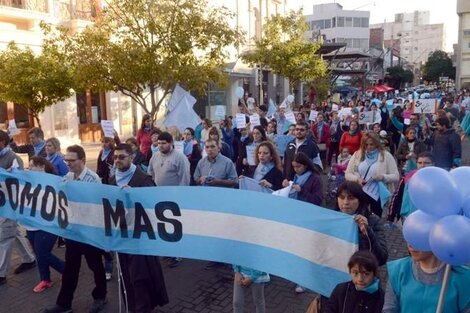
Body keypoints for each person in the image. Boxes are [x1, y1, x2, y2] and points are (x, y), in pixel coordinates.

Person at [43, 145, 107, 313]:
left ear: (83, 160)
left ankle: (100, 296)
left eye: (72, 160)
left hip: (89, 232)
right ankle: (64, 304)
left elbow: (96, 206)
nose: (68, 163)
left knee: (95, 266)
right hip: (73, 231)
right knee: (71, 268)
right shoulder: (68, 177)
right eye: (66, 160)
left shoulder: (93, 179)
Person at [108, 144, 169, 312]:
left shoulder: (143, 179)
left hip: (140, 237)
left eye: (122, 157)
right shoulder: (112, 180)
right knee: (125, 277)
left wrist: (135, 197)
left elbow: (155, 207)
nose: (117, 161)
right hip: (122, 237)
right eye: (115, 157)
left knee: (140, 278)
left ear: (132, 157)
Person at [383, 245, 470, 313]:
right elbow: (389, 309)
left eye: (419, 238)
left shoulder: (464, 278)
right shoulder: (398, 270)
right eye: (409, 237)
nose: (410, 245)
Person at [147, 132, 190, 267]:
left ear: (171, 142)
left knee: (175, 226)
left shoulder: (180, 158)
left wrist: (180, 197)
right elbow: (150, 174)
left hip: (175, 198)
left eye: (164, 143)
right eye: (159, 143)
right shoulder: (154, 157)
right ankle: (167, 250)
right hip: (159, 198)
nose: (160, 146)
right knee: (163, 225)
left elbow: (185, 179)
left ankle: (178, 254)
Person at [194, 139, 238, 269]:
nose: (210, 149)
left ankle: (228, 257)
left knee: (225, 229)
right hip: (207, 202)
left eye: (212, 147)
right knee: (212, 229)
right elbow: (195, 178)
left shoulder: (227, 162)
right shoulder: (201, 163)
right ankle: (215, 257)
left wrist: (218, 181)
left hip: (223, 202)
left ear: (218, 148)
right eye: (207, 147)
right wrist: (200, 179)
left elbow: (234, 181)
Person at [0, 130, 36, 286]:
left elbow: (19, 180)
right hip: (2, 203)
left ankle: (1, 273)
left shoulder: (13, 158)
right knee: (13, 232)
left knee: (5, 237)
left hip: (10, 204)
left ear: (2, 141)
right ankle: (29, 259)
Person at [27, 157, 65, 293]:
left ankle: (66, 270)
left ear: (42, 167)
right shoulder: (27, 180)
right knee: (38, 253)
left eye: (32, 166)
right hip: (31, 224)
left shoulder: (54, 181)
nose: (29, 168)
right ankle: (45, 279)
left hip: (48, 224)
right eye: (28, 166)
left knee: (42, 253)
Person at [345, 132, 399, 217]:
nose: (368, 147)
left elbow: (396, 176)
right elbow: (348, 174)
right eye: (366, 144)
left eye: (371, 144)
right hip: (360, 191)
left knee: (376, 217)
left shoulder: (386, 156)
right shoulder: (357, 154)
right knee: (359, 215)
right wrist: (357, 179)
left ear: (377, 144)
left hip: (376, 193)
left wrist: (383, 177)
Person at [335, 181, 388, 266]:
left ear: (360, 200)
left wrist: (367, 233)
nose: (345, 202)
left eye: (351, 198)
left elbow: (381, 258)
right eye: (341, 197)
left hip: (360, 275)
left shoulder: (373, 221)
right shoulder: (332, 219)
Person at [387, 152, 434, 223]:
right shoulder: (408, 177)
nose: (422, 165)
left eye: (426, 163)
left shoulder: (437, 178)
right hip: (409, 217)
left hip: (430, 217)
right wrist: (391, 216)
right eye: (420, 163)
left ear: (433, 164)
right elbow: (397, 196)